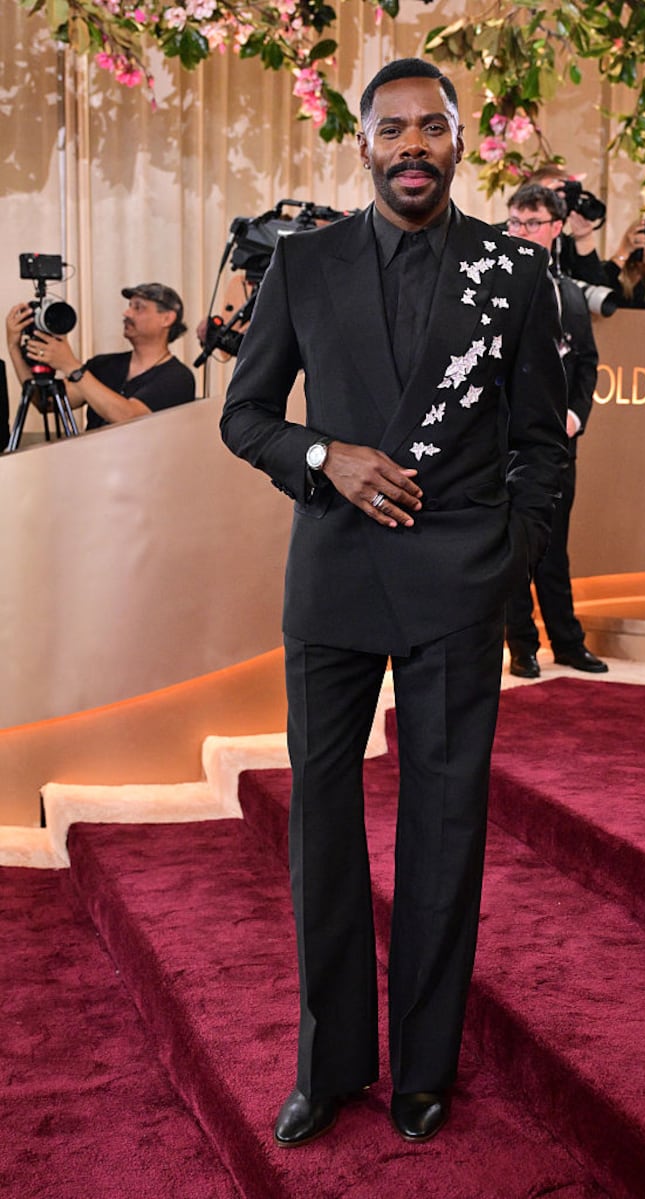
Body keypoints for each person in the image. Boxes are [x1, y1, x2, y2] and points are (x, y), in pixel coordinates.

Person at [220, 58, 568, 1147]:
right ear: (360, 143)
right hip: (329, 578)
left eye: (432, 128)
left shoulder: (513, 273)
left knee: (443, 829)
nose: (411, 145)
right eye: (391, 129)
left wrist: (504, 562)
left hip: (457, 588)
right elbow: (246, 415)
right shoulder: (305, 262)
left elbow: (541, 448)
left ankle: (423, 1067)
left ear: (460, 143)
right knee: (321, 827)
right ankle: (328, 1065)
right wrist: (326, 453)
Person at [504, 183, 608, 678]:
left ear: (556, 228)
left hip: (558, 443)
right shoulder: (492, 288)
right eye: (515, 223)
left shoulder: (568, 292)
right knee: (509, 547)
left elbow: (586, 363)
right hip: (501, 443)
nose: (522, 233)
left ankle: (566, 642)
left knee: (553, 544)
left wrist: (575, 414)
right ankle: (520, 646)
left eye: (532, 224)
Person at [5, 282, 194, 430]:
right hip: (90, 471)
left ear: (167, 318)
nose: (126, 313)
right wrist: (14, 347)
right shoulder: (103, 365)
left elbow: (130, 416)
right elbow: (45, 403)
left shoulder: (178, 377)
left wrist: (71, 366)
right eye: (129, 306)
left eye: (138, 307)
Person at [528, 163, 608, 286]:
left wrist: (584, 239)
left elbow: (596, 292)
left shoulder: (566, 244)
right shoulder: (505, 235)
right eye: (551, 195)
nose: (556, 202)